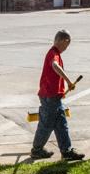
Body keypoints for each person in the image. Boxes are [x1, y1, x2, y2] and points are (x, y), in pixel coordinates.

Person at [30, 30, 85, 161]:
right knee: (46, 125)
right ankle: (37, 150)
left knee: (61, 124)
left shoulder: (56, 53)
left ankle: (66, 151)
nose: (66, 48)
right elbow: (55, 66)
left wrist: (60, 92)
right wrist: (68, 81)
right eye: (67, 45)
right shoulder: (53, 54)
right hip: (49, 97)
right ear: (63, 41)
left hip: (54, 96)